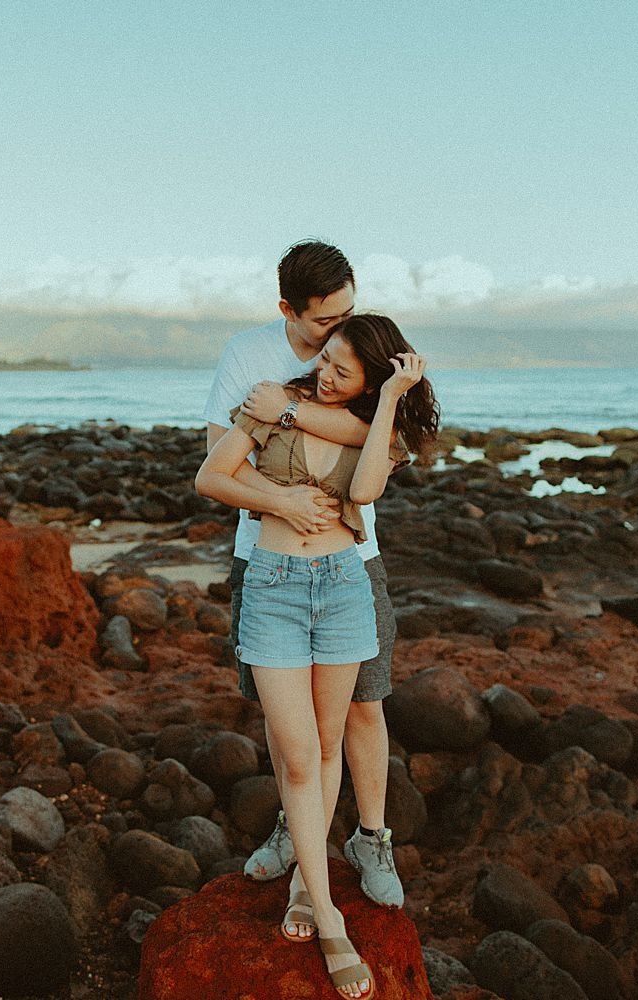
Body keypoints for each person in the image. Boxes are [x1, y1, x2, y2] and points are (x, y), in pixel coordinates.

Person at [197, 314, 439, 1000]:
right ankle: (329, 916)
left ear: (372, 379)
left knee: (330, 742)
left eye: (342, 369)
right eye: (325, 357)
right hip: (272, 586)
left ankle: (310, 882)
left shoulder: (378, 430)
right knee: (298, 751)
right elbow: (212, 475)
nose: (325, 370)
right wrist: (279, 500)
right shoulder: (271, 396)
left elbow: (363, 491)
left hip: (342, 588)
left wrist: (391, 396)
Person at [202, 242, 406, 915]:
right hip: (266, 560)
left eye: (349, 312)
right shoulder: (246, 356)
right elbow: (216, 462)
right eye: (324, 323)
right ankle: (299, 826)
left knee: (364, 704)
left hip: (353, 561)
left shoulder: (357, 349)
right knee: (286, 720)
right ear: (289, 309)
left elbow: (379, 431)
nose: (335, 337)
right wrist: (283, 500)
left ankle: (370, 837)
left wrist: (286, 411)